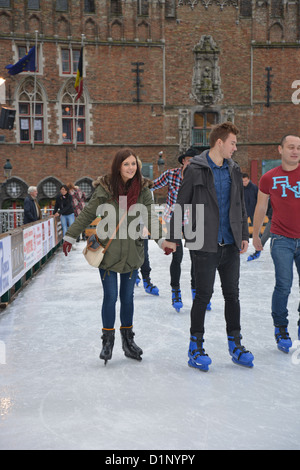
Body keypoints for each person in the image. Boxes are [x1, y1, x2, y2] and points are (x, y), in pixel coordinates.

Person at [62, 148, 176, 365]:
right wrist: (70, 235)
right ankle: (107, 341)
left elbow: (151, 217)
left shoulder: (143, 190)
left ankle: (128, 340)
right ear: (118, 166)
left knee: (127, 298)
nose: (131, 168)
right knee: (111, 296)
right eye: (126, 164)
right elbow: (88, 213)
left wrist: (161, 241)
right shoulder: (105, 189)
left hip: (133, 252)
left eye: (134, 164)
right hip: (108, 252)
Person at [168, 122, 254, 371]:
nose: (235, 148)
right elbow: (180, 204)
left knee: (232, 295)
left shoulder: (234, 169)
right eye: (233, 143)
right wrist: (173, 237)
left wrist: (244, 233)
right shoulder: (195, 169)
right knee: (203, 296)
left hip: (230, 243)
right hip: (203, 242)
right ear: (220, 142)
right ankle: (195, 346)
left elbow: (240, 203)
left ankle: (235, 344)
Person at [252, 134, 300, 354]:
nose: (295, 151)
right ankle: (281, 327)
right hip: (281, 238)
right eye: (290, 147)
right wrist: (256, 236)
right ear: (280, 149)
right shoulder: (268, 178)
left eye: (298, 148)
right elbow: (261, 208)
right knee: (284, 284)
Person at [152, 146, 211, 312]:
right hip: (175, 216)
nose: (193, 165)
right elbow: (152, 185)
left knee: (196, 257)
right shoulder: (172, 175)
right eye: (190, 161)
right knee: (177, 256)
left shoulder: (202, 175)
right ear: (184, 161)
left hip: (194, 216)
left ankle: (196, 291)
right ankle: (176, 291)